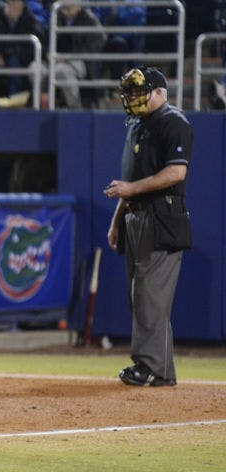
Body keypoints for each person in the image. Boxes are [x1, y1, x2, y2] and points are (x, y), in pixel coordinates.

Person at [104, 67, 192, 387]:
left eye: (139, 92)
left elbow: (175, 174)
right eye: (130, 93)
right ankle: (160, 371)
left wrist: (130, 192)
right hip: (136, 217)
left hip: (162, 217)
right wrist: (117, 220)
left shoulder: (173, 122)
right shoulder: (137, 125)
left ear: (159, 93)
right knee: (140, 296)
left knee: (148, 296)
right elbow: (130, 182)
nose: (132, 98)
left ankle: (149, 366)